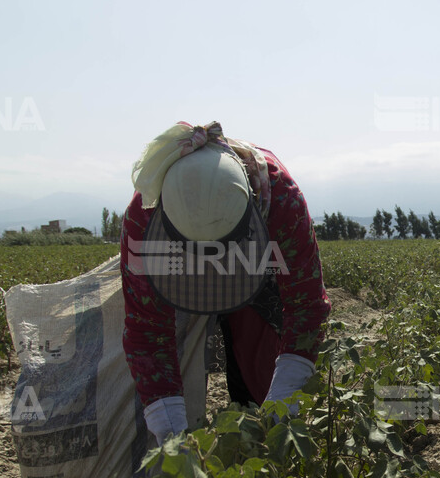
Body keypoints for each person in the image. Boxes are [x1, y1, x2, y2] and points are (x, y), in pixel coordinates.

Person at [120, 122, 330, 446]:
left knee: (260, 365)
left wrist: (284, 394)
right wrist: (169, 430)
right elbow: (147, 331)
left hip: (257, 281)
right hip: (177, 276)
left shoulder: (280, 200)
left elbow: (306, 307)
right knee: (160, 394)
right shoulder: (143, 217)